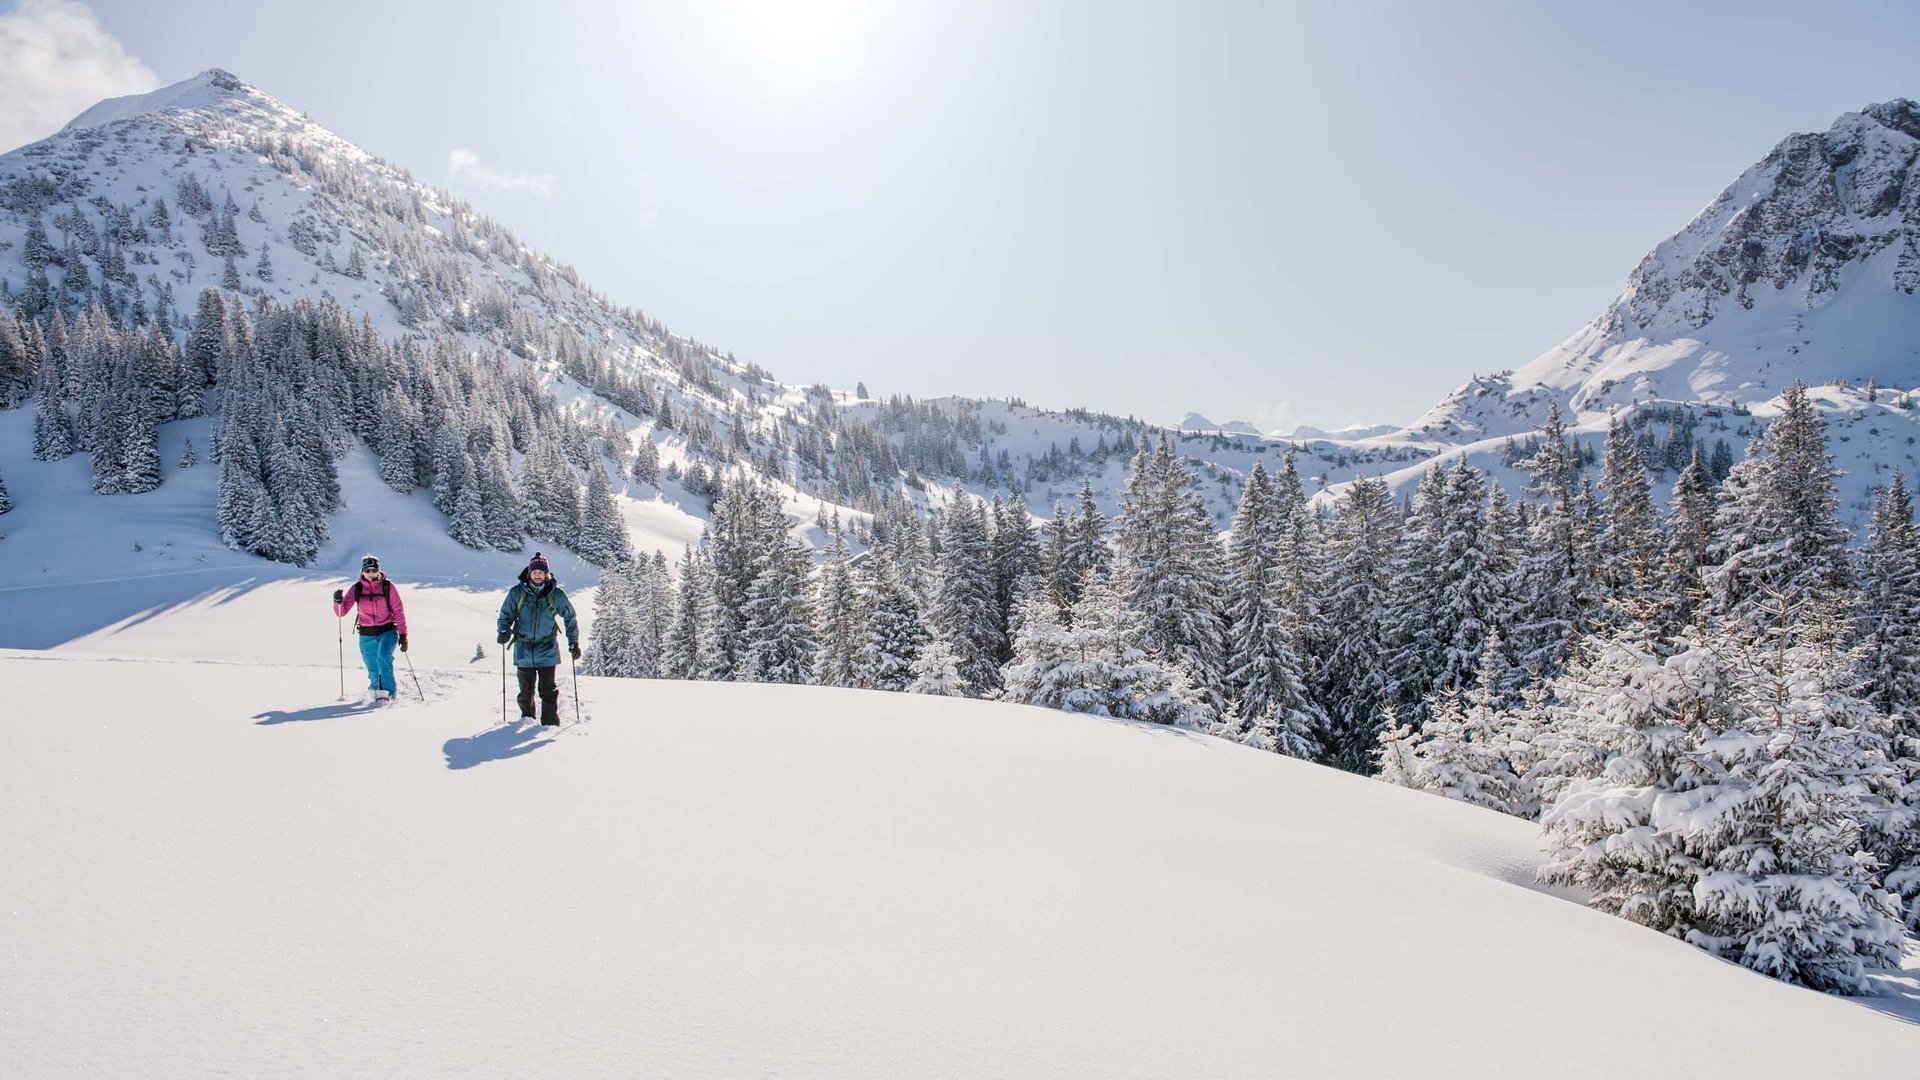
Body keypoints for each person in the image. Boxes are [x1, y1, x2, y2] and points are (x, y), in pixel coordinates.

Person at [496, 552, 580, 726]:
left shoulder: (555, 595)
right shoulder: (517, 593)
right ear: (529, 573)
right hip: (523, 649)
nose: (537, 575)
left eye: (541, 572)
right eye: (534, 572)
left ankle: (550, 725)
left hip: (547, 648)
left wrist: (574, 642)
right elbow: (505, 614)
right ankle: (527, 721)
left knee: (548, 691)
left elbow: (570, 617)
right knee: (525, 693)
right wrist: (504, 630)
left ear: (546, 574)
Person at [333, 553, 409, 703]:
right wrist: (337, 601)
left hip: (387, 631)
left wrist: (403, 635)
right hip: (366, 634)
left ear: (378, 570)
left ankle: (388, 694)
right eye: (367, 571)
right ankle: (375, 692)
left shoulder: (388, 587)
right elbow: (341, 612)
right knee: (373, 666)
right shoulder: (357, 589)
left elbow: (398, 611)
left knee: (384, 657)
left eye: (374, 570)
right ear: (362, 571)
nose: (371, 573)